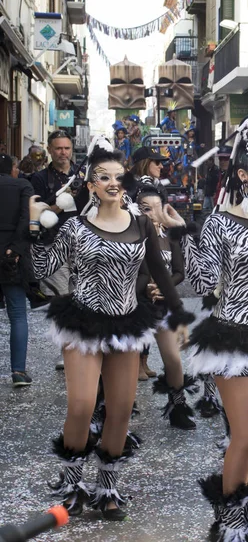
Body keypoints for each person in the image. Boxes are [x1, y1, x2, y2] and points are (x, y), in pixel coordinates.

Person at [28, 137, 193, 521]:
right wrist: (37, 228)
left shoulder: (140, 225)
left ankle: (107, 484)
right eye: (104, 177)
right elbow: (42, 269)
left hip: (127, 322)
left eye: (119, 177)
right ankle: (72, 482)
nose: (113, 182)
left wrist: (179, 314)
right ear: (91, 186)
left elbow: (160, 273)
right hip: (83, 322)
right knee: (83, 405)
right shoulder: (76, 227)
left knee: (119, 410)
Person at [162, 117, 248, 541]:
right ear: (243, 175)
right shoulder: (222, 221)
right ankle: (228, 523)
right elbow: (203, 283)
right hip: (232, 336)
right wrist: (184, 233)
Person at [134, 183, 197, 430]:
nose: (151, 214)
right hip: (136, 306)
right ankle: (115, 408)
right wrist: (145, 287)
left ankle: (177, 407)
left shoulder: (169, 236)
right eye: (145, 209)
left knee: (173, 359)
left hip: (163, 305)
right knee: (127, 364)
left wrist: (164, 286)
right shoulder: (131, 234)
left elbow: (180, 272)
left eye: (156, 209)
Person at [129, 146, 170, 380]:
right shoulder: (132, 186)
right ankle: (135, 360)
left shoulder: (157, 185)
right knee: (142, 301)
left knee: (154, 302)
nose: (161, 166)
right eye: (157, 162)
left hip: (157, 244)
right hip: (139, 244)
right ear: (145, 162)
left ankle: (143, 359)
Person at [30, 131, 78, 301]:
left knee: (83, 301)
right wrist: (62, 202)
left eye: (67, 148)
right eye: (58, 148)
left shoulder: (83, 175)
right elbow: (38, 214)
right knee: (58, 301)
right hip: (54, 244)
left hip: (82, 243)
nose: (63, 152)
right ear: (49, 150)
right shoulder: (40, 179)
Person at [0, 153, 33, 387]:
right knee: (18, 315)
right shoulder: (22, 185)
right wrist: (16, 249)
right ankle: (18, 372)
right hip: (12, 257)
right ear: (13, 168)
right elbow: (28, 219)